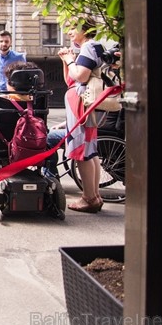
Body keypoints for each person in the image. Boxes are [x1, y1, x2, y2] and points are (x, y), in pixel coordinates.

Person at [57, 18, 104, 213]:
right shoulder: (96, 46)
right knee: (90, 151)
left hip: (80, 105)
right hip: (84, 104)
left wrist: (69, 60)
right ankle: (94, 195)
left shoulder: (88, 47)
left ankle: (89, 198)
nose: (68, 32)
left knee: (81, 152)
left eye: (72, 28)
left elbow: (81, 77)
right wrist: (66, 61)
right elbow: (70, 79)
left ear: (85, 30)